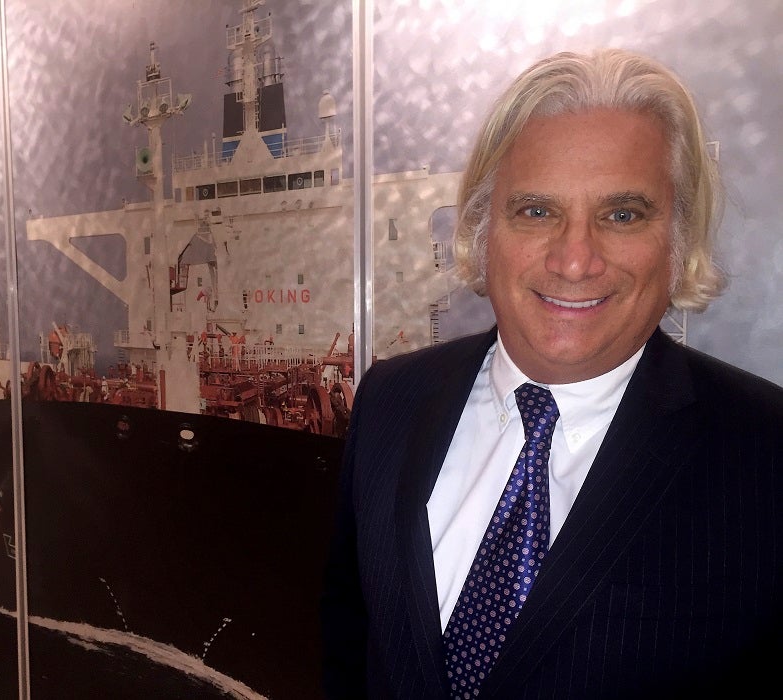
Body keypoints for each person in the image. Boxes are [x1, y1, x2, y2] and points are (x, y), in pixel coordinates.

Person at [320, 48, 783, 699]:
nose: (574, 259)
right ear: (481, 230)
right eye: (536, 211)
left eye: (622, 215)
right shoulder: (390, 400)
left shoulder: (766, 453)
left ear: (679, 242)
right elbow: (349, 640)